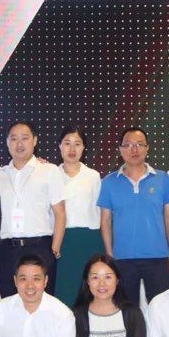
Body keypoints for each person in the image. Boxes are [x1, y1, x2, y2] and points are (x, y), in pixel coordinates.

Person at [98, 127, 169, 305]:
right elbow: (105, 221)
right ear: (120, 149)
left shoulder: (162, 178)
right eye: (128, 145)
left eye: (139, 144)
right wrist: (110, 255)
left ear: (147, 148)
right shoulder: (109, 182)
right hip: (122, 258)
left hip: (158, 257)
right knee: (126, 310)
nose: (134, 149)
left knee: (161, 308)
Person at [0, 121, 66, 297]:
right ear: (7, 142)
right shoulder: (0, 174)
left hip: (40, 247)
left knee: (42, 303)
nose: (19, 144)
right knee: (9, 302)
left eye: (25, 138)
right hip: (9, 249)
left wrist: (54, 249)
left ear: (35, 141)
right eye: (14, 138)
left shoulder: (49, 170)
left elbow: (60, 212)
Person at [54, 127, 104, 306]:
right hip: (61, 241)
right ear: (59, 146)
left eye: (77, 144)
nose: (72, 149)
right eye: (67, 143)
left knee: (88, 294)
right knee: (64, 292)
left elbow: (99, 212)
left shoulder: (93, 176)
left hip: (89, 240)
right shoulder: (50, 174)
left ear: (84, 148)